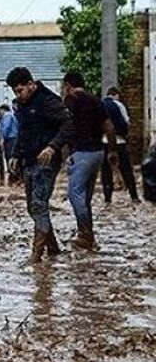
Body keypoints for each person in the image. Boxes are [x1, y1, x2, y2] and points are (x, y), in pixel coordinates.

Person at [6, 66, 74, 262]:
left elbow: (68, 124)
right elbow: (24, 131)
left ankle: (36, 255)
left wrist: (53, 147)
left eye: (20, 90)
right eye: (15, 92)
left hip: (46, 162)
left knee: (38, 205)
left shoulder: (48, 101)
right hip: (28, 160)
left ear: (30, 84)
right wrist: (15, 155)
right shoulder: (24, 105)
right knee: (32, 207)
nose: (18, 95)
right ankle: (52, 248)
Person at [60, 71, 115, 250]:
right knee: (86, 197)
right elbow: (109, 126)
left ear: (68, 85)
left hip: (81, 153)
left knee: (75, 194)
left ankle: (86, 235)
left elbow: (64, 127)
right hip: (98, 153)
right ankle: (87, 236)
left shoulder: (70, 100)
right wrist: (112, 150)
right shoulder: (96, 100)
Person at [99, 86, 140, 204]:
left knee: (105, 171)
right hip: (119, 141)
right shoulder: (118, 105)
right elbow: (126, 122)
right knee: (126, 169)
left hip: (104, 141)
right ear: (116, 95)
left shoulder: (100, 104)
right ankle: (134, 197)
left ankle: (107, 198)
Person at [0, 100, 19, 178]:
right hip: (12, 138)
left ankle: (13, 173)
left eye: (0, 110)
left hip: (10, 139)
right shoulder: (11, 115)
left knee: (9, 156)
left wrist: (2, 138)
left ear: (3, 109)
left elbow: (6, 127)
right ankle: (14, 173)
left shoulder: (7, 116)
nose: (0, 112)